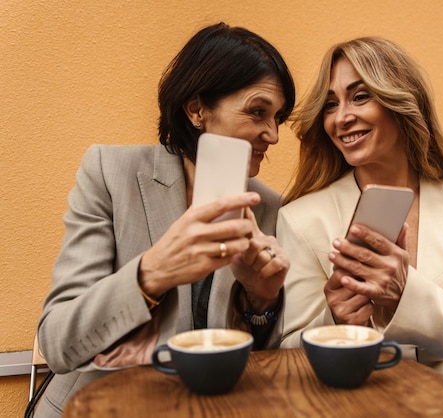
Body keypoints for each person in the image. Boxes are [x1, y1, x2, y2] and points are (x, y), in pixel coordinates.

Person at [34, 22, 295, 418]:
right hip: (96, 407)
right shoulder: (110, 172)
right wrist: (152, 273)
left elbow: (266, 359)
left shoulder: (270, 208)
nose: (273, 134)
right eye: (258, 112)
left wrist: (260, 300)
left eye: (278, 118)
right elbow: (57, 342)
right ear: (196, 110)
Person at [277, 37, 443, 412]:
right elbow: (287, 352)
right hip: (349, 403)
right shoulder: (301, 218)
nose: (341, 117)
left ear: (401, 101)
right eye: (331, 104)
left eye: (360, 96)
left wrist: (405, 294)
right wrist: (335, 321)